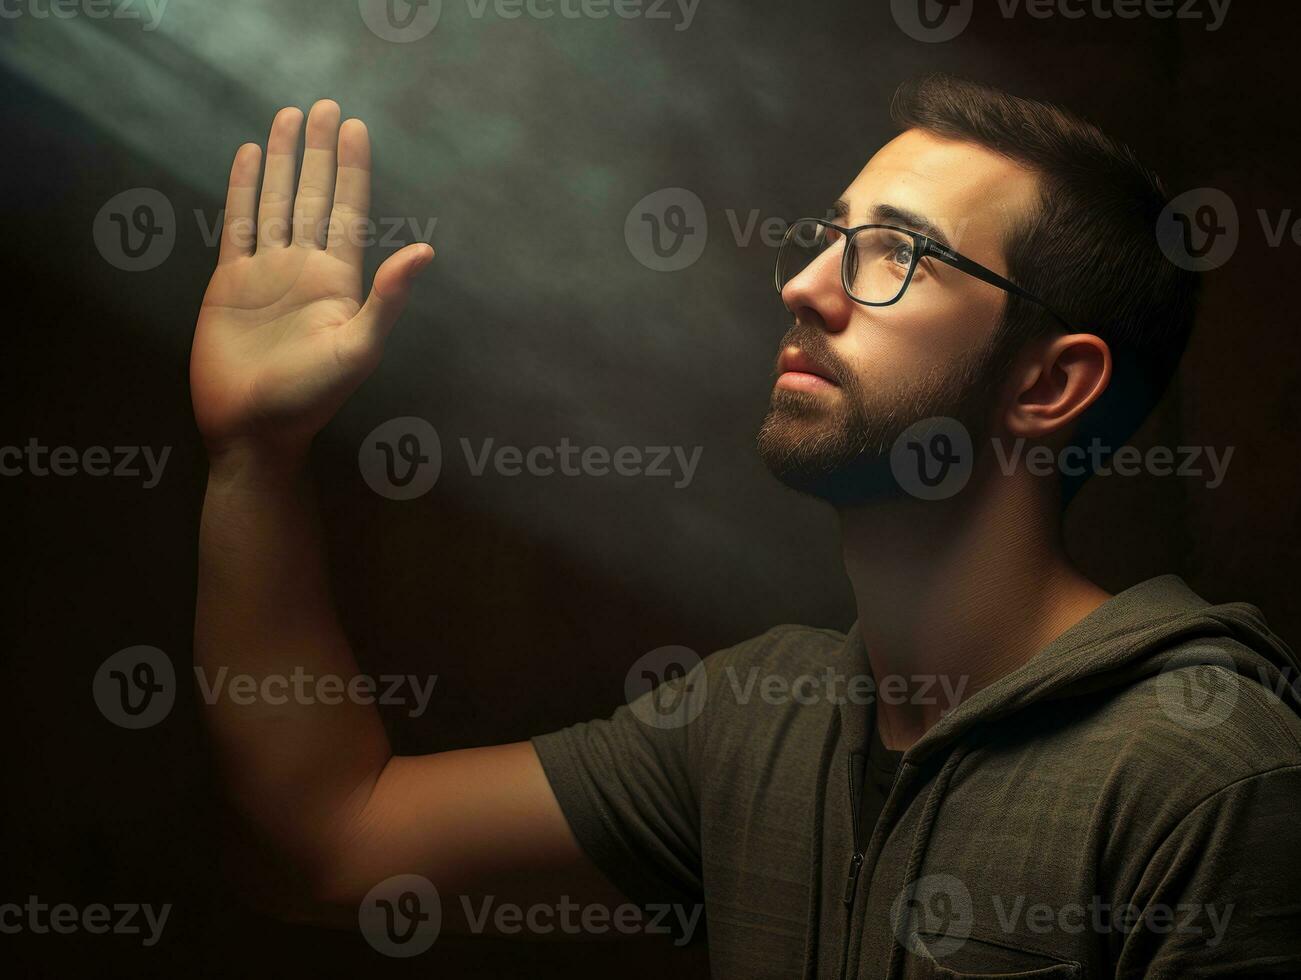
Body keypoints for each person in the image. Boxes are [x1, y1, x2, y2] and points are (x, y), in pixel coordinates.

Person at [189, 75, 1301, 977]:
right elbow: (330, 839)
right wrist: (255, 455)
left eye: (893, 252)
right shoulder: (761, 719)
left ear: (1050, 383)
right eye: (828, 237)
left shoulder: (1206, 772)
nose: (807, 284)